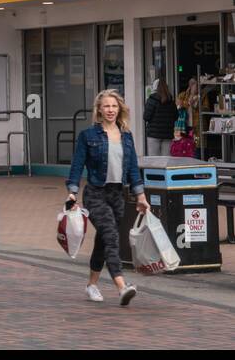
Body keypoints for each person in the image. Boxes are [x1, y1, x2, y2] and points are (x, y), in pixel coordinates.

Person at [68, 89, 148, 306]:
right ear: (99, 110)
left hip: (117, 195)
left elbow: (132, 169)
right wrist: (72, 193)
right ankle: (122, 286)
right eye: (106, 106)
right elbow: (77, 165)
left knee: (103, 241)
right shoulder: (88, 136)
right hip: (95, 194)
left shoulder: (127, 136)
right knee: (111, 235)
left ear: (119, 108)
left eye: (114, 106)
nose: (111, 110)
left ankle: (91, 285)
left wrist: (140, 196)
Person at [142, 79, 178, 157]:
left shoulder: (151, 100)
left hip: (153, 134)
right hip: (167, 134)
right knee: (166, 159)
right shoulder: (171, 101)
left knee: (154, 159)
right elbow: (176, 116)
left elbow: (146, 117)